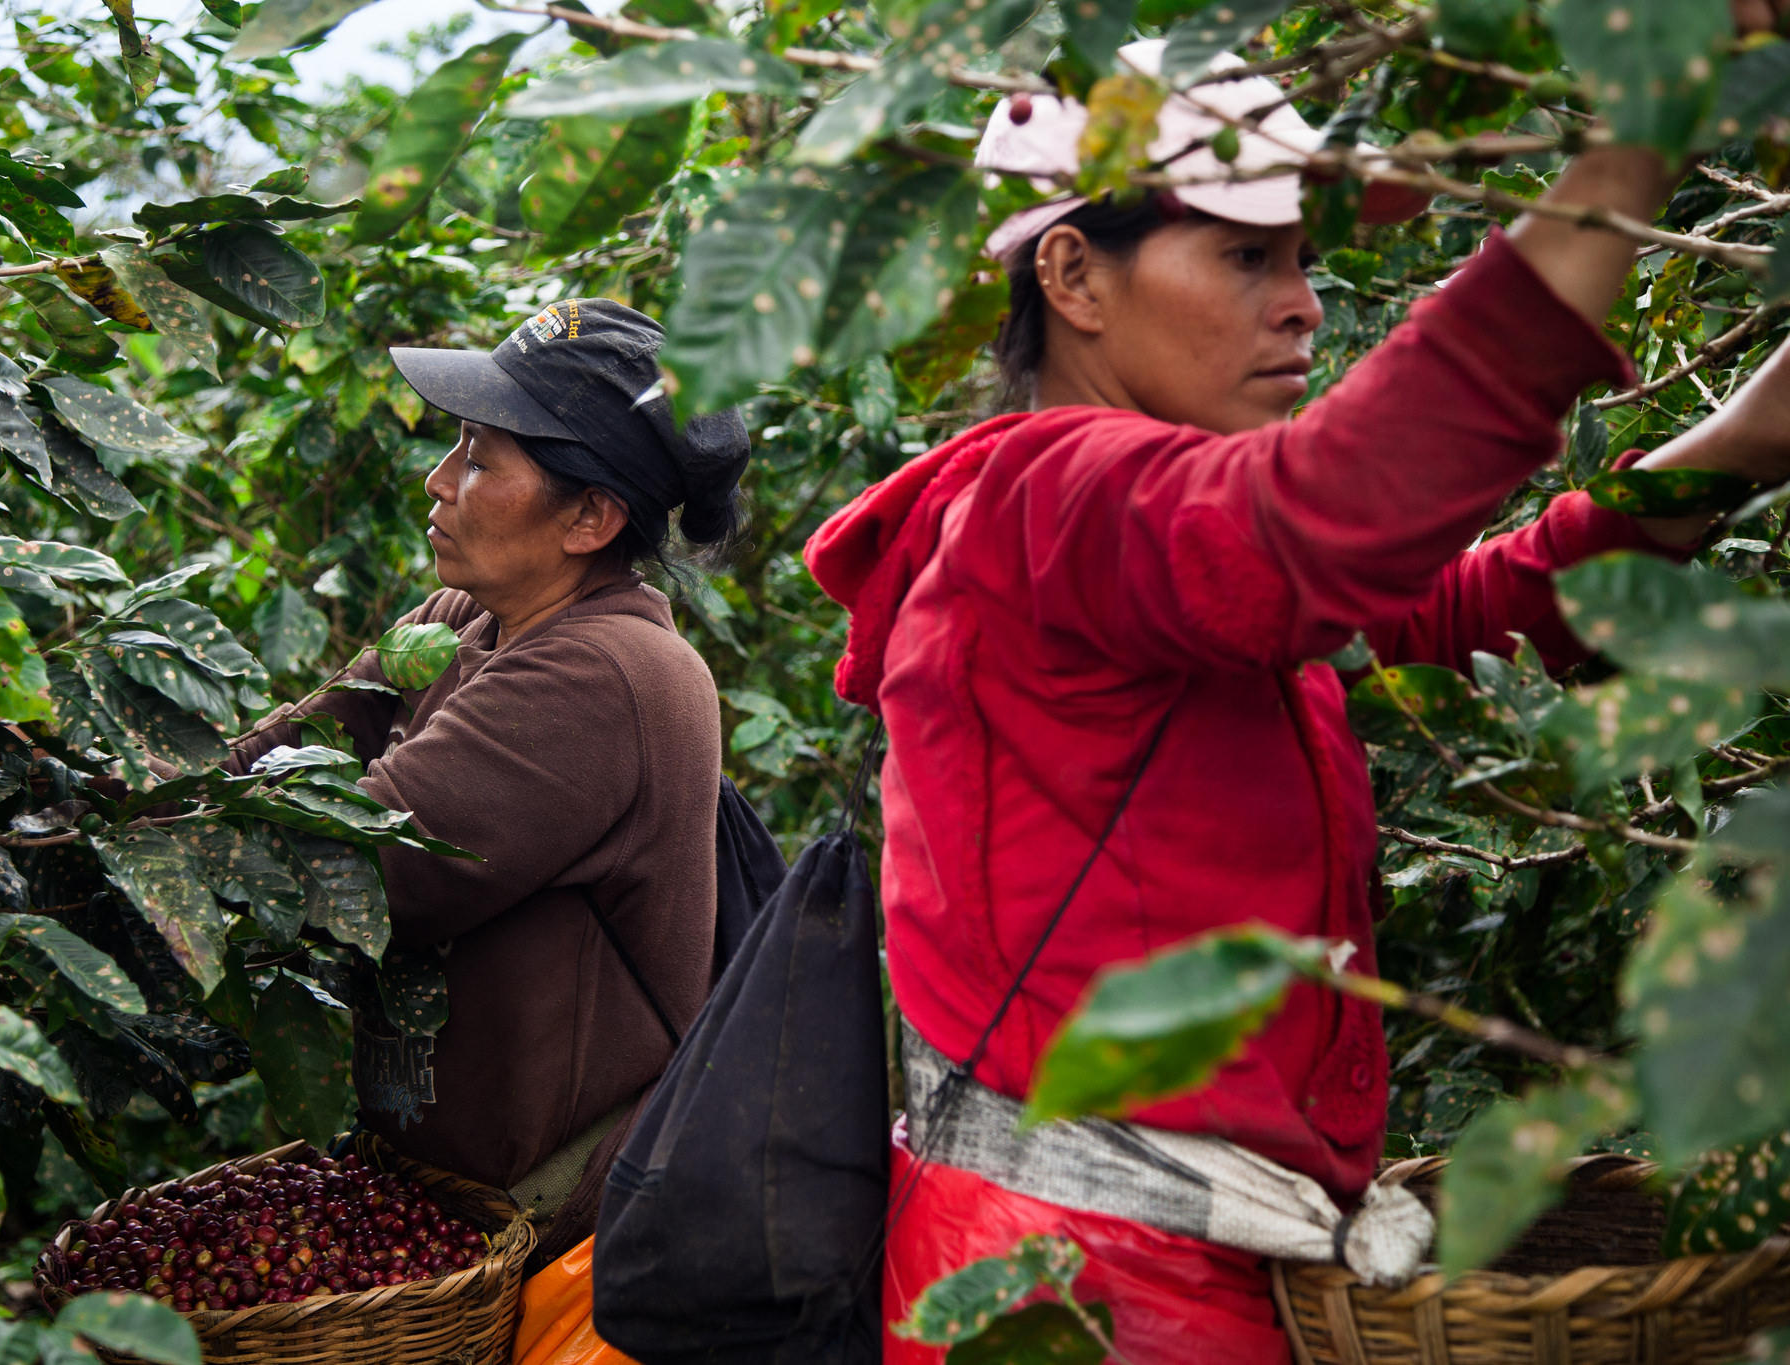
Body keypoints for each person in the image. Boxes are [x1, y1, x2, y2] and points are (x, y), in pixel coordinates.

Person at [804, 28, 1790, 1365]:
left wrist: (1745, 440)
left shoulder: (1159, 544)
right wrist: (1634, 143)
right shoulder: (1050, 502)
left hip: (1158, 1259)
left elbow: (1476, 610)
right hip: (1076, 1293)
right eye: (1248, 254)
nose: (1305, 304)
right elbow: (1329, 516)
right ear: (1075, 274)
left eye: (1303, 260)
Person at [229, 299, 748, 1294]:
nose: (438, 481)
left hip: (555, 1237)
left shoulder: (610, 673)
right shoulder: (460, 621)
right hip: (441, 1203)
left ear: (590, 517)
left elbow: (352, 865)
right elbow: (274, 758)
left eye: (478, 457)